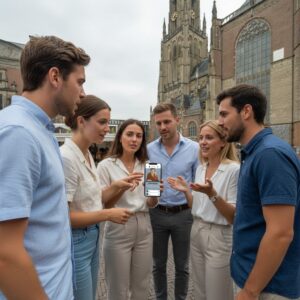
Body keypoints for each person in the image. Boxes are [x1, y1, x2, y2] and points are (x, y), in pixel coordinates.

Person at [0, 35, 90, 299]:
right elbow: (6, 253)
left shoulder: (38, 129)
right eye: (79, 82)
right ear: (54, 77)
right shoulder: (18, 132)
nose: (83, 93)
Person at [217, 84, 300, 300]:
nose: (220, 122)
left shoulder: (270, 154)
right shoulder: (255, 152)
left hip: (270, 287)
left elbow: (280, 233)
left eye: (224, 114)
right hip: (256, 280)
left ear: (246, 112)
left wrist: (250, 291)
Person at [60, 95, 142, 300]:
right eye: (102, 122)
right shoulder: (67, 158)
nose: (107, 129)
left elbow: (93, 199)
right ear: (81, 121)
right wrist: (107, 214)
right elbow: (64, 217)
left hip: (92, 236)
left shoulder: (87, 154)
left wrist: (116, 187)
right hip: (78, 240)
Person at [168, 120, 240, 300]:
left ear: (223, 142)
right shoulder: (201, 168)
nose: (203, 142)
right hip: (197, 230)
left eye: (209, 137)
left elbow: (232, 216)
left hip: (219, 235)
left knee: (218, 294)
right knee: (200, 291)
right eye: (201, 138)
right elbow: (196, 207)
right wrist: (186, 192)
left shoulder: (233, 169)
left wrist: (212, 194)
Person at [97, 119, 159, 300]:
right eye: (129, 134)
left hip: (144, 225)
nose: (134, 139)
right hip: (118, 224)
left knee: (142, 285)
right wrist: (121, 186)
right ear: (120, 137)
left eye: (139, 136)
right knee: (117, 287)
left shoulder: (149, 164)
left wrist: (155, 195)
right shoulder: (106, 166)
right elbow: (103, 202)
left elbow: (151, 203)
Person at [147, 103, 199, 300]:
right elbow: (149, 183)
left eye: (167, 121)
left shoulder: (194, 149)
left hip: (184, 214)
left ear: (178, 120)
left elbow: (195, 184)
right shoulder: (149, 150)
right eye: (159, 123)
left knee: (182, 266)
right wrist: (152, 193)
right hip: (157, 213)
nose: (162, 127)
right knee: (157, 265)